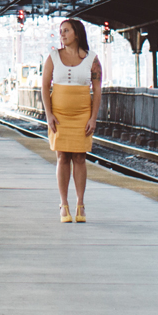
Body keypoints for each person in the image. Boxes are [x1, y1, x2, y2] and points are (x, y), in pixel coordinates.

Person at [41, 17, 101, 223]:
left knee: (80, 158)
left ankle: (80, 204)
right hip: (59, 114)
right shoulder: (52, 57)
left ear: (77, 33)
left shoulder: (92, 58)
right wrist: (48, 114)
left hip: (82, 113)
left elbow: (98, 90)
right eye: (61, 31)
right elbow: (44, 87)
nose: (63, 35)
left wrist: (93, 117)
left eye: (66, 30)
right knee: (62, 157)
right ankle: (64, 204)